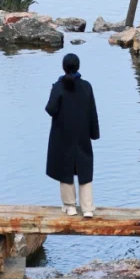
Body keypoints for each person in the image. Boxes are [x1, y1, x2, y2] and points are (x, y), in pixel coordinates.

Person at [45, 52, 100, 218]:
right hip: (82, 133)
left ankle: (70, 207)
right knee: (85, 168)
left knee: (65, 167)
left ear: (64, 67)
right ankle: (88, 208)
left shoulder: (59, 86)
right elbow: (92, 111)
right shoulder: (86, 86)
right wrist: (94, 133)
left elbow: (51, 109)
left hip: (63, 134)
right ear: (78, 67)